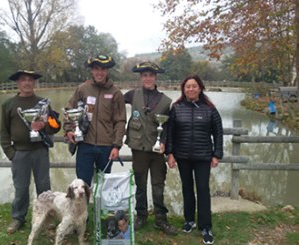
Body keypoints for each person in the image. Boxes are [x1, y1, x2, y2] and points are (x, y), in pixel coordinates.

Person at [0, 70, 61, 234]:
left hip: (40, 151)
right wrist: (10, 153)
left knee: (44, 187)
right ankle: (18, 218)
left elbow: (55, 127)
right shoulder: (9, 105)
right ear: (18, 83)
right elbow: (4, 132)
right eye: (23, 80)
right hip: (19, 152)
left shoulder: (43, 103)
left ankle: (47, 218)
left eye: (30, 80)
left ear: (34, 83)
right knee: (20, 188)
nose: (27, 83)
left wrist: (45, 126)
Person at [166, 74, 223, 245]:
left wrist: (216, 154)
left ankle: (205, 226)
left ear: (200, 88)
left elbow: (218, 133)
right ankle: (189, 220)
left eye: (194, 86)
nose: (191, 89)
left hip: (203, 157)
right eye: (187, 86)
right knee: (187, 188)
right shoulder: (176, 108)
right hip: (182, 156)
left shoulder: (210, 109)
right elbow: (170, 133)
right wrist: (170, 153)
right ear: (183, 89)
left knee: (203, 189)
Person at [124, 61, 177, 235]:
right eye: (145, 75)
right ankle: (141, 216)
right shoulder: (132, 95)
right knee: (140, 185)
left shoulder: (166, 101)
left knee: (158, 186)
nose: (148, 78)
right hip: (138, 149)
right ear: (140, 77)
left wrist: (166, 145)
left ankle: (161, 219)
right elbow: (113, 105)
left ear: (156, 78)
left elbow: (168, 127)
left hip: (157, 152)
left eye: (151, 75)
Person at [63, 54, 126, 187]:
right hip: (85, 144)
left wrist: (116, 145)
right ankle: (84, 208)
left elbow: (120, 121)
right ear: (91, 71)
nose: (99, 72)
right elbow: (69, 110)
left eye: (103, 69)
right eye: (96, 68)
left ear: (107, 71)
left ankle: (101, 208)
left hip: (106, 147)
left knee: (104, 184)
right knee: (82, 185)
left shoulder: (116, 93)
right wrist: (68, 129)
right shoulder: (82, 89)